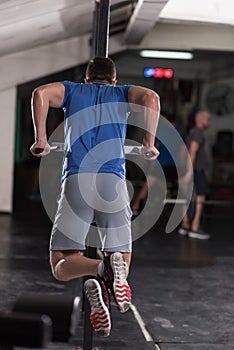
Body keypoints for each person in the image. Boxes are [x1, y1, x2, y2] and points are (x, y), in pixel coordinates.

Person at [30, 57, 160, 337]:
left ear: (87, 80)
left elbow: (40, 94)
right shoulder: (121, 93)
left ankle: (100, 270)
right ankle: (109, 272)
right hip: (112, 182)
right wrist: (149, 143)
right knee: (122, 259)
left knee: (61, 264)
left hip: (78, 181)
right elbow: (151, 96)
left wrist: (41, 138)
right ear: (114, 80)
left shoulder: (73, 91)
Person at [178, 110, 212, 239]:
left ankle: (185, 225)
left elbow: (183, 151)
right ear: (201, 119)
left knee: (186, 196)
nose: (210, 122)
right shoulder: (197, 133)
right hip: (196, 170)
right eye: (208, 119)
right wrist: (189, 172)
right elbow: (192, 151)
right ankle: (195, 227)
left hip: (194, 170)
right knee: (200, 196)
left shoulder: (193, 132)